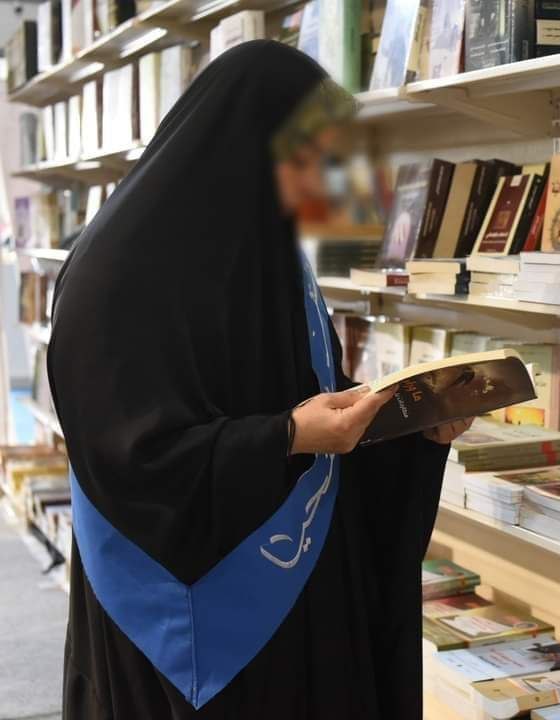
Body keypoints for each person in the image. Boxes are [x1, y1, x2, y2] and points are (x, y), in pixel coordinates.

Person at [48, 41, 470, 719]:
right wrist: (287, 436)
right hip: (174, 614)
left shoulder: (267, 254)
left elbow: (310, 390)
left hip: (294, 593)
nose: (323, 185)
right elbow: (125, 457)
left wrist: (413, 429)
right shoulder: (115, 270)